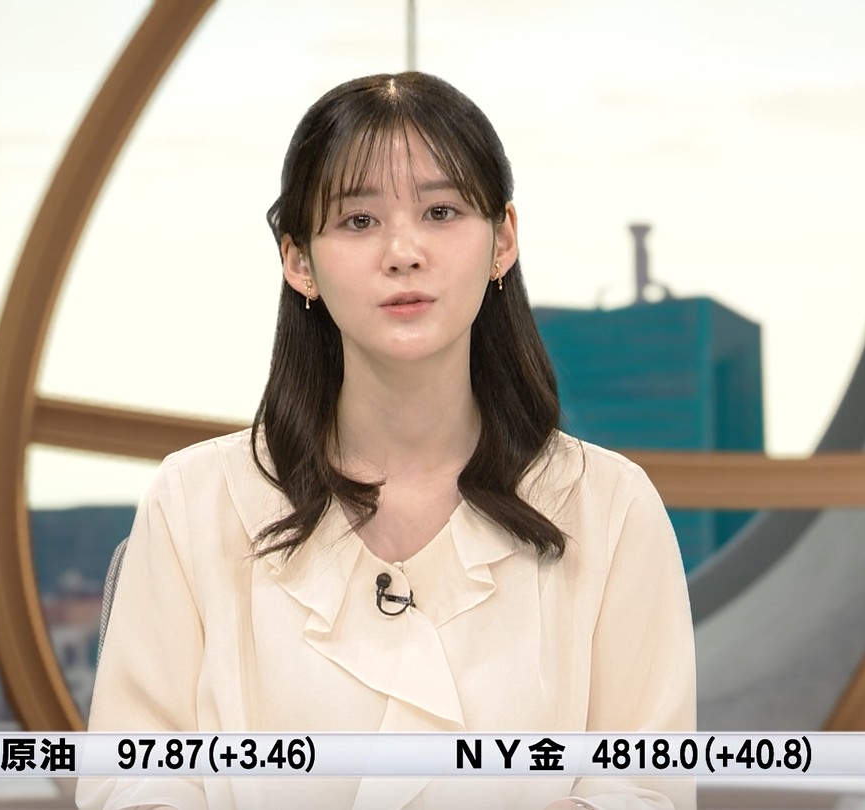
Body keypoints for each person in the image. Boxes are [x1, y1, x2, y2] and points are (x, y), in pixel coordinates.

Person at [78, 72, 695, 810]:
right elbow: (134, 784)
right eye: (359, 220)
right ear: (298, 261)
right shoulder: (194, 502)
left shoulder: (610, 507)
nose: (403, 252)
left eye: (441, 211)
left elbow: (643, 791)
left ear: (502, 240)